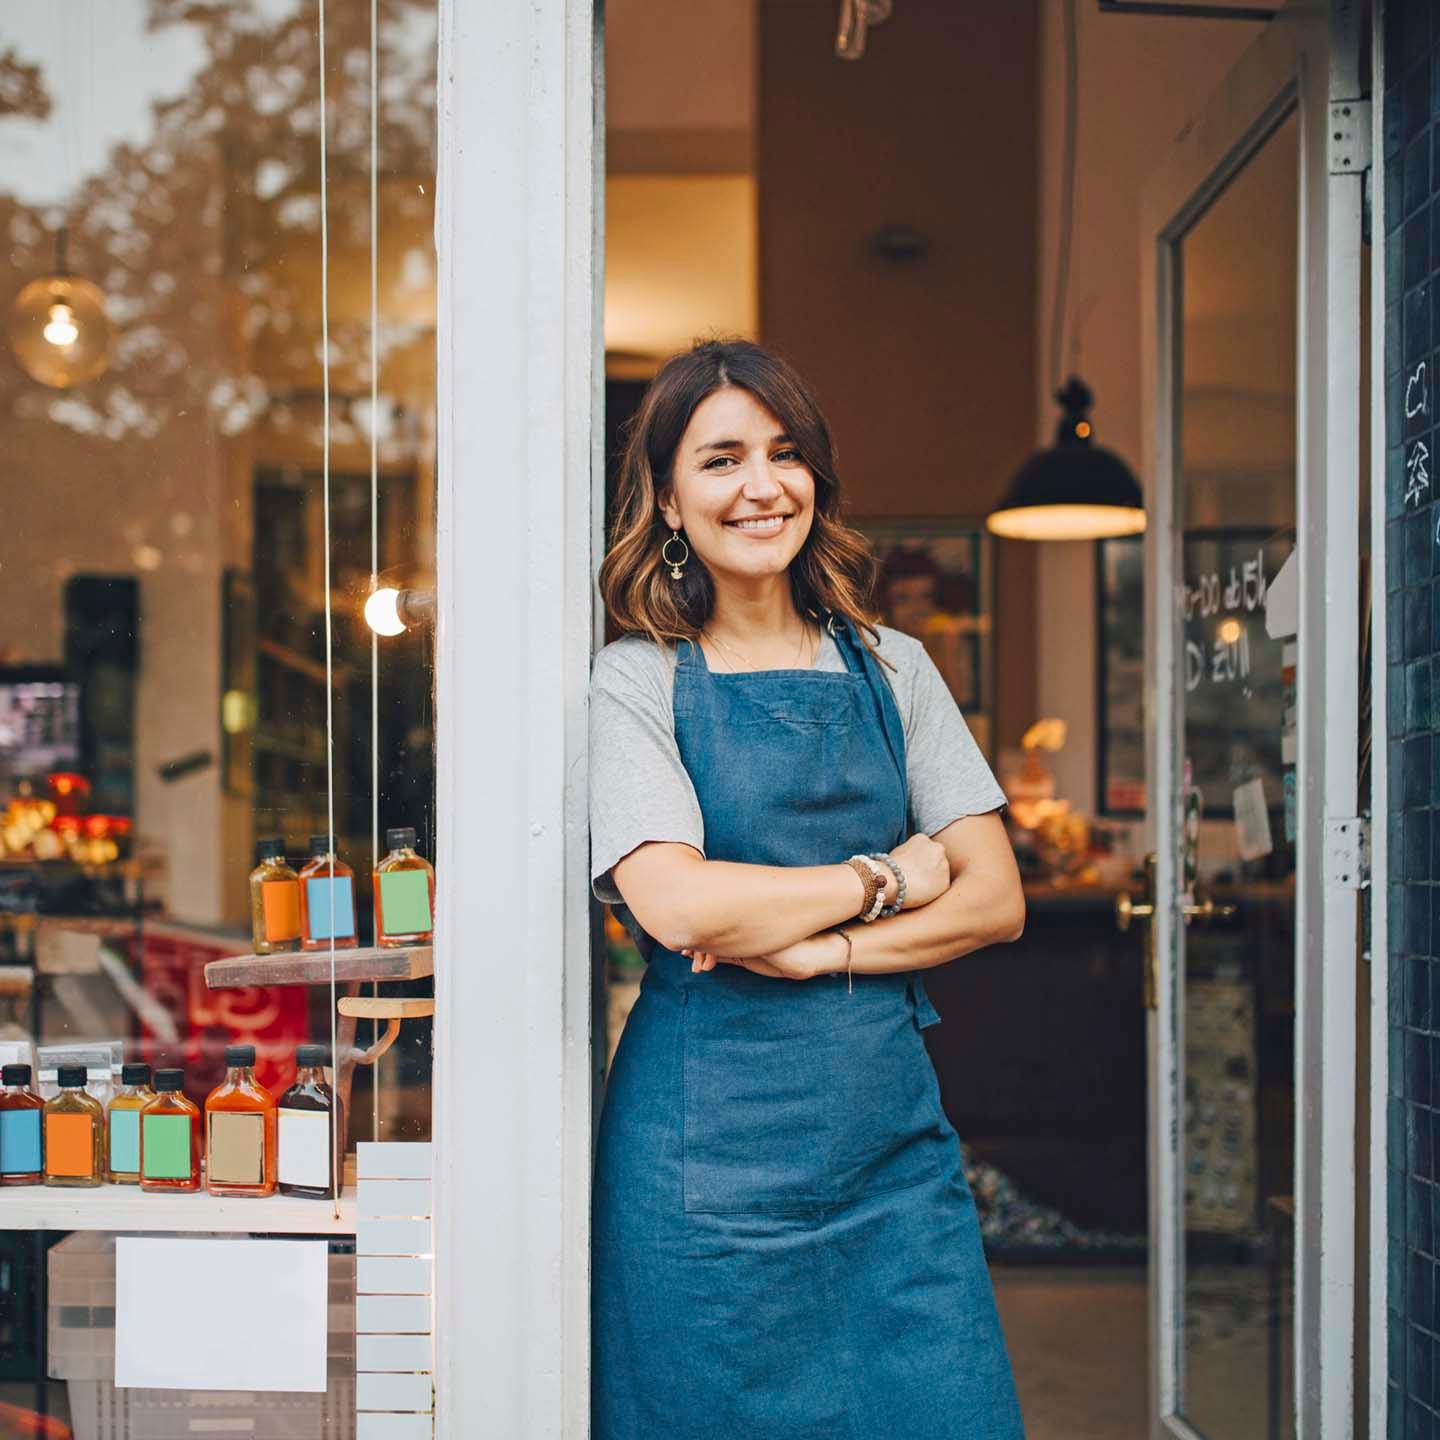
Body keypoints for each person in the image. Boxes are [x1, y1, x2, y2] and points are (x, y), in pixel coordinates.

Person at [589, 338, 1027, 1439]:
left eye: (785, 455)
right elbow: (677, 906)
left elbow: (992, 899)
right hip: (702, 1165)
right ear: (670, 500)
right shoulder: (636, 677)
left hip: (888, 1153)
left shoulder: (893, 666)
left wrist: (817, 949)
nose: (760, 486)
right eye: (722, 459)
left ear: (816, 484)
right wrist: (889, 875)